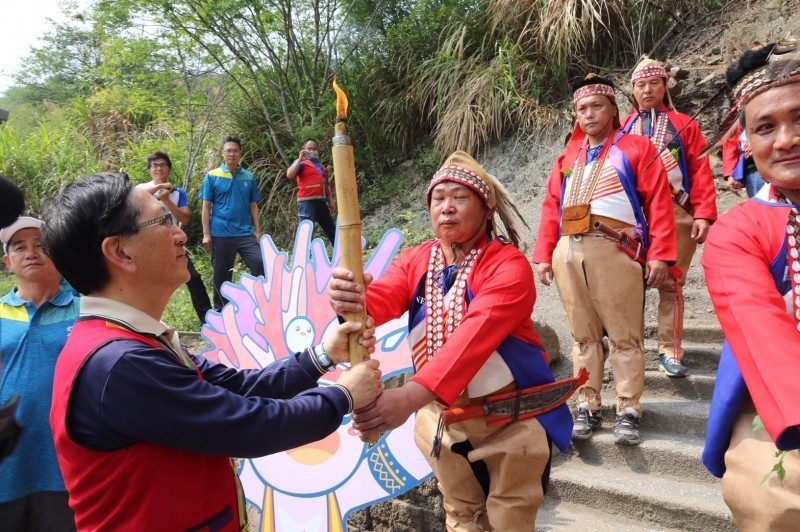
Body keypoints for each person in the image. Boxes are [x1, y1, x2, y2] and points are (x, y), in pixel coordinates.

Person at [41, 172, 382, 530]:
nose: (181, 233)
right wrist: (344, 396)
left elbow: (238, 387)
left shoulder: (131, 343)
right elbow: (248, 424)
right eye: (163, 221)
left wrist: (323, 356)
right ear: (121, 251)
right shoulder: (119, 363)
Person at [329, 151, 574, 531]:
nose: (446, 207)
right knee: (460, 516)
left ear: (486, 208)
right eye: (438, 198)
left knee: (511, 519)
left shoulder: (508, 266)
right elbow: (376, 303)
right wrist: (350, 302)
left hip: (511, 422)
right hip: (443, 423)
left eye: (459, 198)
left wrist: (408, 398)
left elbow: (470, 341)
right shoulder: (416, 259)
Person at [533, 75, 676, 445]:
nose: (589, 114)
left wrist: (660, 255)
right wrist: (545, 255)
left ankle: (628, 407)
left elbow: (659, 203)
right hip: (568, 250)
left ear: (614, 110)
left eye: (597, 106)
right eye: (582, 108)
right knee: (583, 335)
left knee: (625, 334)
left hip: (614, 246)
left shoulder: (638, 148)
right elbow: (552, 207)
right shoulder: (568, 156)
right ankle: (588, 403)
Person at [701, 40, 800, 529]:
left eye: (799, 119)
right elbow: (755, 318)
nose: (785, 140)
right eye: (766, 127)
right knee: (770, 491)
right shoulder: (739, 231)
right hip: (780, 398)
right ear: (747, 144)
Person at [623, 57, 718, 377]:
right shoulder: (622, 128)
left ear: (665, 86)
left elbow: (700, 169)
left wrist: (703, 213)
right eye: (640, 85)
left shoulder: (684, 124)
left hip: (678, 210)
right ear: (632, 90)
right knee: (629, 285)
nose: (647, 89)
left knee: (671, 283)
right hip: (634, 215)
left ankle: (670, 350)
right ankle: (629, 350)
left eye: (653, 83)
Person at [0, 216, 78, 530]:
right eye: (20, 247)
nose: (31, 252)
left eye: (41, 244)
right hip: (7, 470)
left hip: (65, 472)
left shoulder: (86, 312)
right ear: (8, 261)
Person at [137, 151, 212, 325]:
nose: (159, 168)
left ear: (169, 168)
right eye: (155, 165)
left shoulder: (178, 193)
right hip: (147, 244)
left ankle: (208, 322)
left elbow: (185, 218)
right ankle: (145, 324)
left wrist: (167, 199)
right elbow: (133, 201)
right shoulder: (141, 189)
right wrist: (157, 189)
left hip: (172, 242)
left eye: (162, 165)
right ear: (149, 170)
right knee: (147, 284)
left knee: (193, 278)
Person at [200, 136, 265, 310]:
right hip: (220, 233)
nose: (232, 154)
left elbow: (253, 205)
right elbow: (206, 206)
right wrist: (206, 234)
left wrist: (257, 232)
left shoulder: (248, 177)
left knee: (260, 262)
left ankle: (261, 304)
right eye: (228, 151)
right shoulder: (212, 176)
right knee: (221, 273)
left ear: (240, 153)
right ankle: (222, 312)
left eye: (235, 151)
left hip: (245, 233)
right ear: (222, 153)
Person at [286, 139, 337, 245]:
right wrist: (300, 159)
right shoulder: (301, 163)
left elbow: (326, 185)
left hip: (321, 203)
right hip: (307, 202)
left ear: (317, 150)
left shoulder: (322, 167)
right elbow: (290, 175)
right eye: (309, 148)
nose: (312, 150)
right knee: (306, 231)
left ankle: (340, 255)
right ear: (304, 150)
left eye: (314, 148)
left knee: (331, 229)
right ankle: (302, 259)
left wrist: (331, 201)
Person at [722, 122, 767, 198]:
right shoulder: (738, 114)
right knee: (762, 206)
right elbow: (731, 144)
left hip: (783, 162)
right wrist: (732, 175)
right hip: (754, 167)